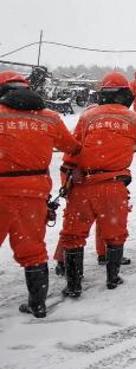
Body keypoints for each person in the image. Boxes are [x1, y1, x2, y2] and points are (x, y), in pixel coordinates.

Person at [59, 71, 136, 297]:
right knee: (115, 233)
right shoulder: (133, 118)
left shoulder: (88, 116)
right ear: (125, 95)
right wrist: (125, 145)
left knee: (73, 235)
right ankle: (113, 278)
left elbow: (74, 145)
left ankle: (73, 284)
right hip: (113, 184)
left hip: (83, 184)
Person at [0, 71, 80, 318]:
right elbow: (73, 147)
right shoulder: (50, 118)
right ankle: (38, 303)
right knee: (33, 249)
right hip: (33, 192)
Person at [52, 142, 132, 275]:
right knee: (76, 227)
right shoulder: (88, 135)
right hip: (82, 180)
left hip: (82, 179)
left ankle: (101, 255)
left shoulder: (89, 133)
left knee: (77, 226)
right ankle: (64, 261)